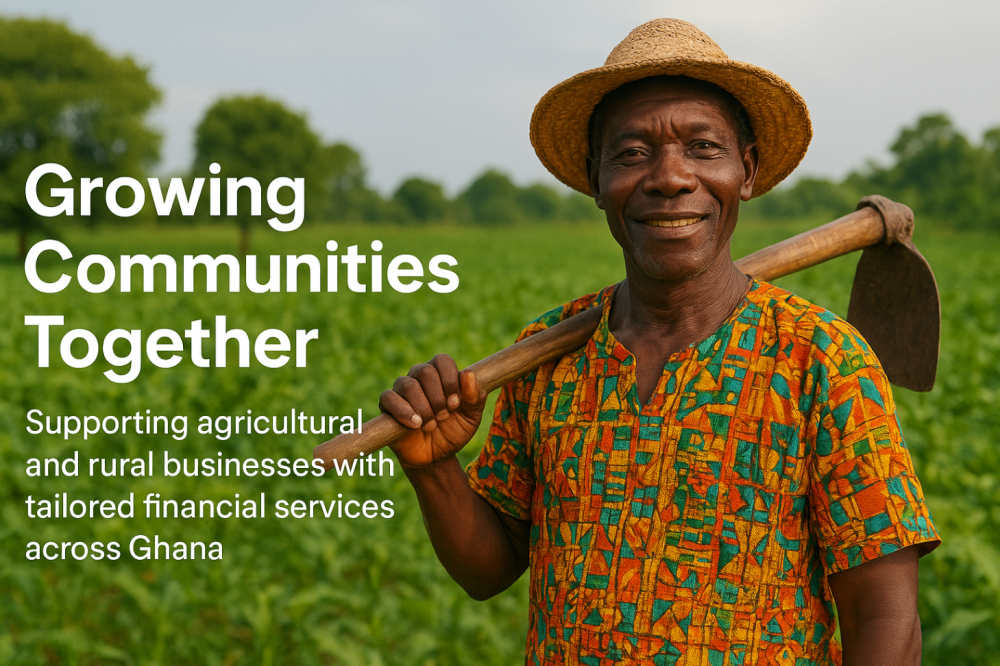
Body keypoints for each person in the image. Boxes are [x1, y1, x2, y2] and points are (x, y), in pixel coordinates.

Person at [379, 18, 939, 666]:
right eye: (633, 152)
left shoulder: (821, 361)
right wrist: (432, 468)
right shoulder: (548, 357)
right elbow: (489, 568)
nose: (670, 177)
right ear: (596, 180)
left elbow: (886, 620)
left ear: (747, 170)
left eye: (702, 148)